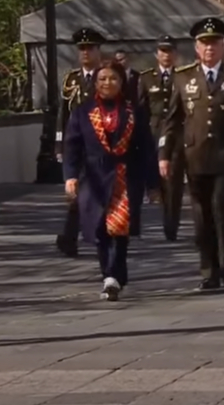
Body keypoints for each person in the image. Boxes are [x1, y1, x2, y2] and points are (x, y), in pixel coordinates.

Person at [160, 17, 224, 290]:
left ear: (223, 45)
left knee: (223, 209)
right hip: (194, 158)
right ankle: (208, 271)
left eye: (214, 43)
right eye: (204, 43)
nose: (209, 48)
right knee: (201, 216)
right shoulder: (184, 77)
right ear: (196, 47)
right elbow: (171, 120)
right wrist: (164, 155)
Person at [63, 59, 154, 301]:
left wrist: (152, 183)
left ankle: (113, 275)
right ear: (96, 82)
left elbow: (146, 148)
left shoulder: (134, 111)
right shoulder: (83, 111)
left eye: (113, 78)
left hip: (125, 176)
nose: (107, 83)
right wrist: (70, 176)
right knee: (99, 227)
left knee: (119, 228)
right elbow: (72, 146)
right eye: (102, 78)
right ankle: (109, 273)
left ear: (121, 81)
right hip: (93, 178)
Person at [55, 27, 106, 257]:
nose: (85, 53)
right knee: (76, 193)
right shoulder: (71, 79)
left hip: (102, 144)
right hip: (78, 144)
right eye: (81, 49)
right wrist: (59, 144)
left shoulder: (106, 77)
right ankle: (71, 236)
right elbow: (63, 115)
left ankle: (86, 234)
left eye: (89, 48)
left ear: (98, 51)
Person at [137, 35, 186, 241]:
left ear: (175, 54)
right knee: (151, 179)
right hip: (153, 133)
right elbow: (141, 109)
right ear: (157, 54)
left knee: (173, 182)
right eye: (163, 51)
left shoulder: (183, 77)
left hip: (176, 134)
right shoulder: (146, 78)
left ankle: (170, 224)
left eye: (170, 51)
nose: (166, 55)